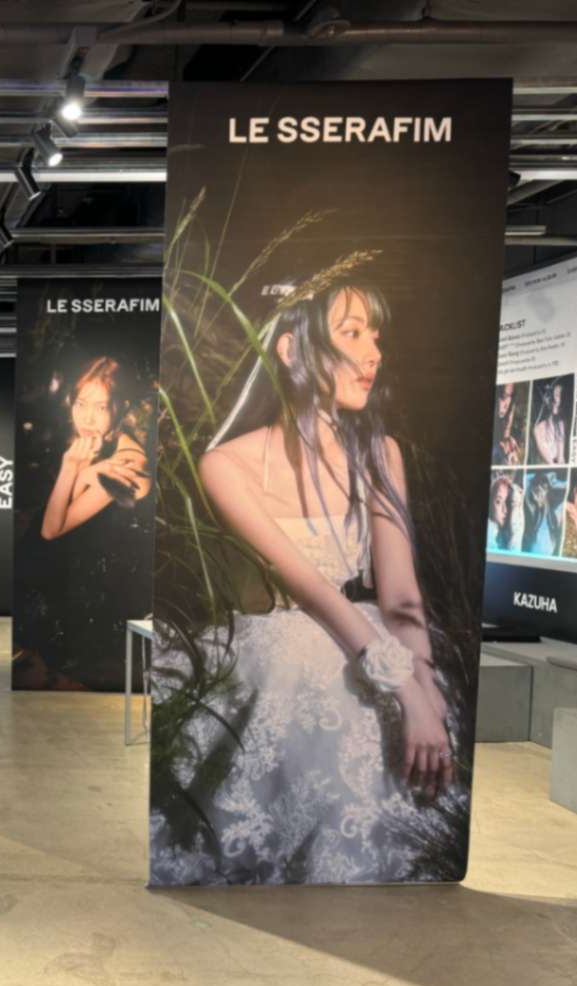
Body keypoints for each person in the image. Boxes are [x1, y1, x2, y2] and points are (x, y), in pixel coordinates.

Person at [151, 280, 459, 887]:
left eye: (376, 336)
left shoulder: (381, 453)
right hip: (276, 655)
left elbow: (401, 596)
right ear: (292, 349)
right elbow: (315, 592)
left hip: (371, 641)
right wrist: (404, 687)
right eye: (352, 333)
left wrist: (425, 686)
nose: (374, 354)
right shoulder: (227, 464)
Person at [40, 356, 150, 541]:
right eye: (81, 404)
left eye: (101, 408)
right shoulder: (99, 443)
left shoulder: (124, 464)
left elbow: (50, 532)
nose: (87, 419)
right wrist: (83, 475)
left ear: (121, 408)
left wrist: (69, 468)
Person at [522, 471, 564, 556]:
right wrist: (547, 480)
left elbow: (566, 486)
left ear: (548, 491)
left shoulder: (552, 513)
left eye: (543, 488)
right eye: (536, 490)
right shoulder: (531, 509)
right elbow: (526, 478)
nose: (539, 493)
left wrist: (550, 482)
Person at [531, 379, 568, 465]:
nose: (556, 399)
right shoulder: (539, 428)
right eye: (556, 395)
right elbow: (551, 462)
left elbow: (561, 458)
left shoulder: (561, 423)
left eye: (560, 395)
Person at [487, 473, 524, 552]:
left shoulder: (503, 534)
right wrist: (516, 534)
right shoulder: (489, 530)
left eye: (508, 503)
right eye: (498, 502)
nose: (505, 510)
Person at [491, 382, 523, 466]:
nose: (506, 405)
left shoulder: (510, 408)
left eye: (510, 396)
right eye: (503, 397)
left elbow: (506, 434)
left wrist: (509, 444)